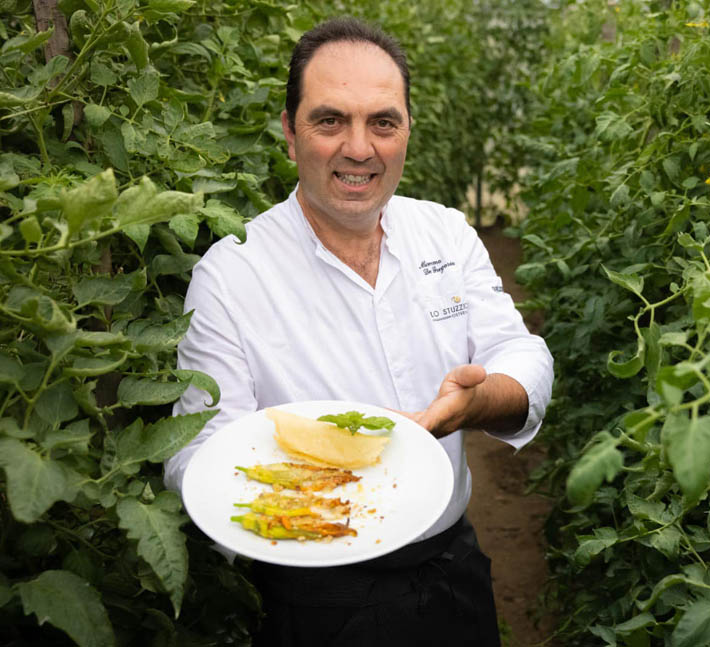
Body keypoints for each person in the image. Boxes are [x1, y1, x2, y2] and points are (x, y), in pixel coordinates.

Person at [163, 16, 554, 647]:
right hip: (316, 602)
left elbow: (519, 353)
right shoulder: (232, 275)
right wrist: (300, 487)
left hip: (453, 573)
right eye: (329, 120)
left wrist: (477, 403)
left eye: (382, 122)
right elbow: (194, 452)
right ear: (290, 134)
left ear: (405, 134)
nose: (358, 147)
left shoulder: (445, 235)